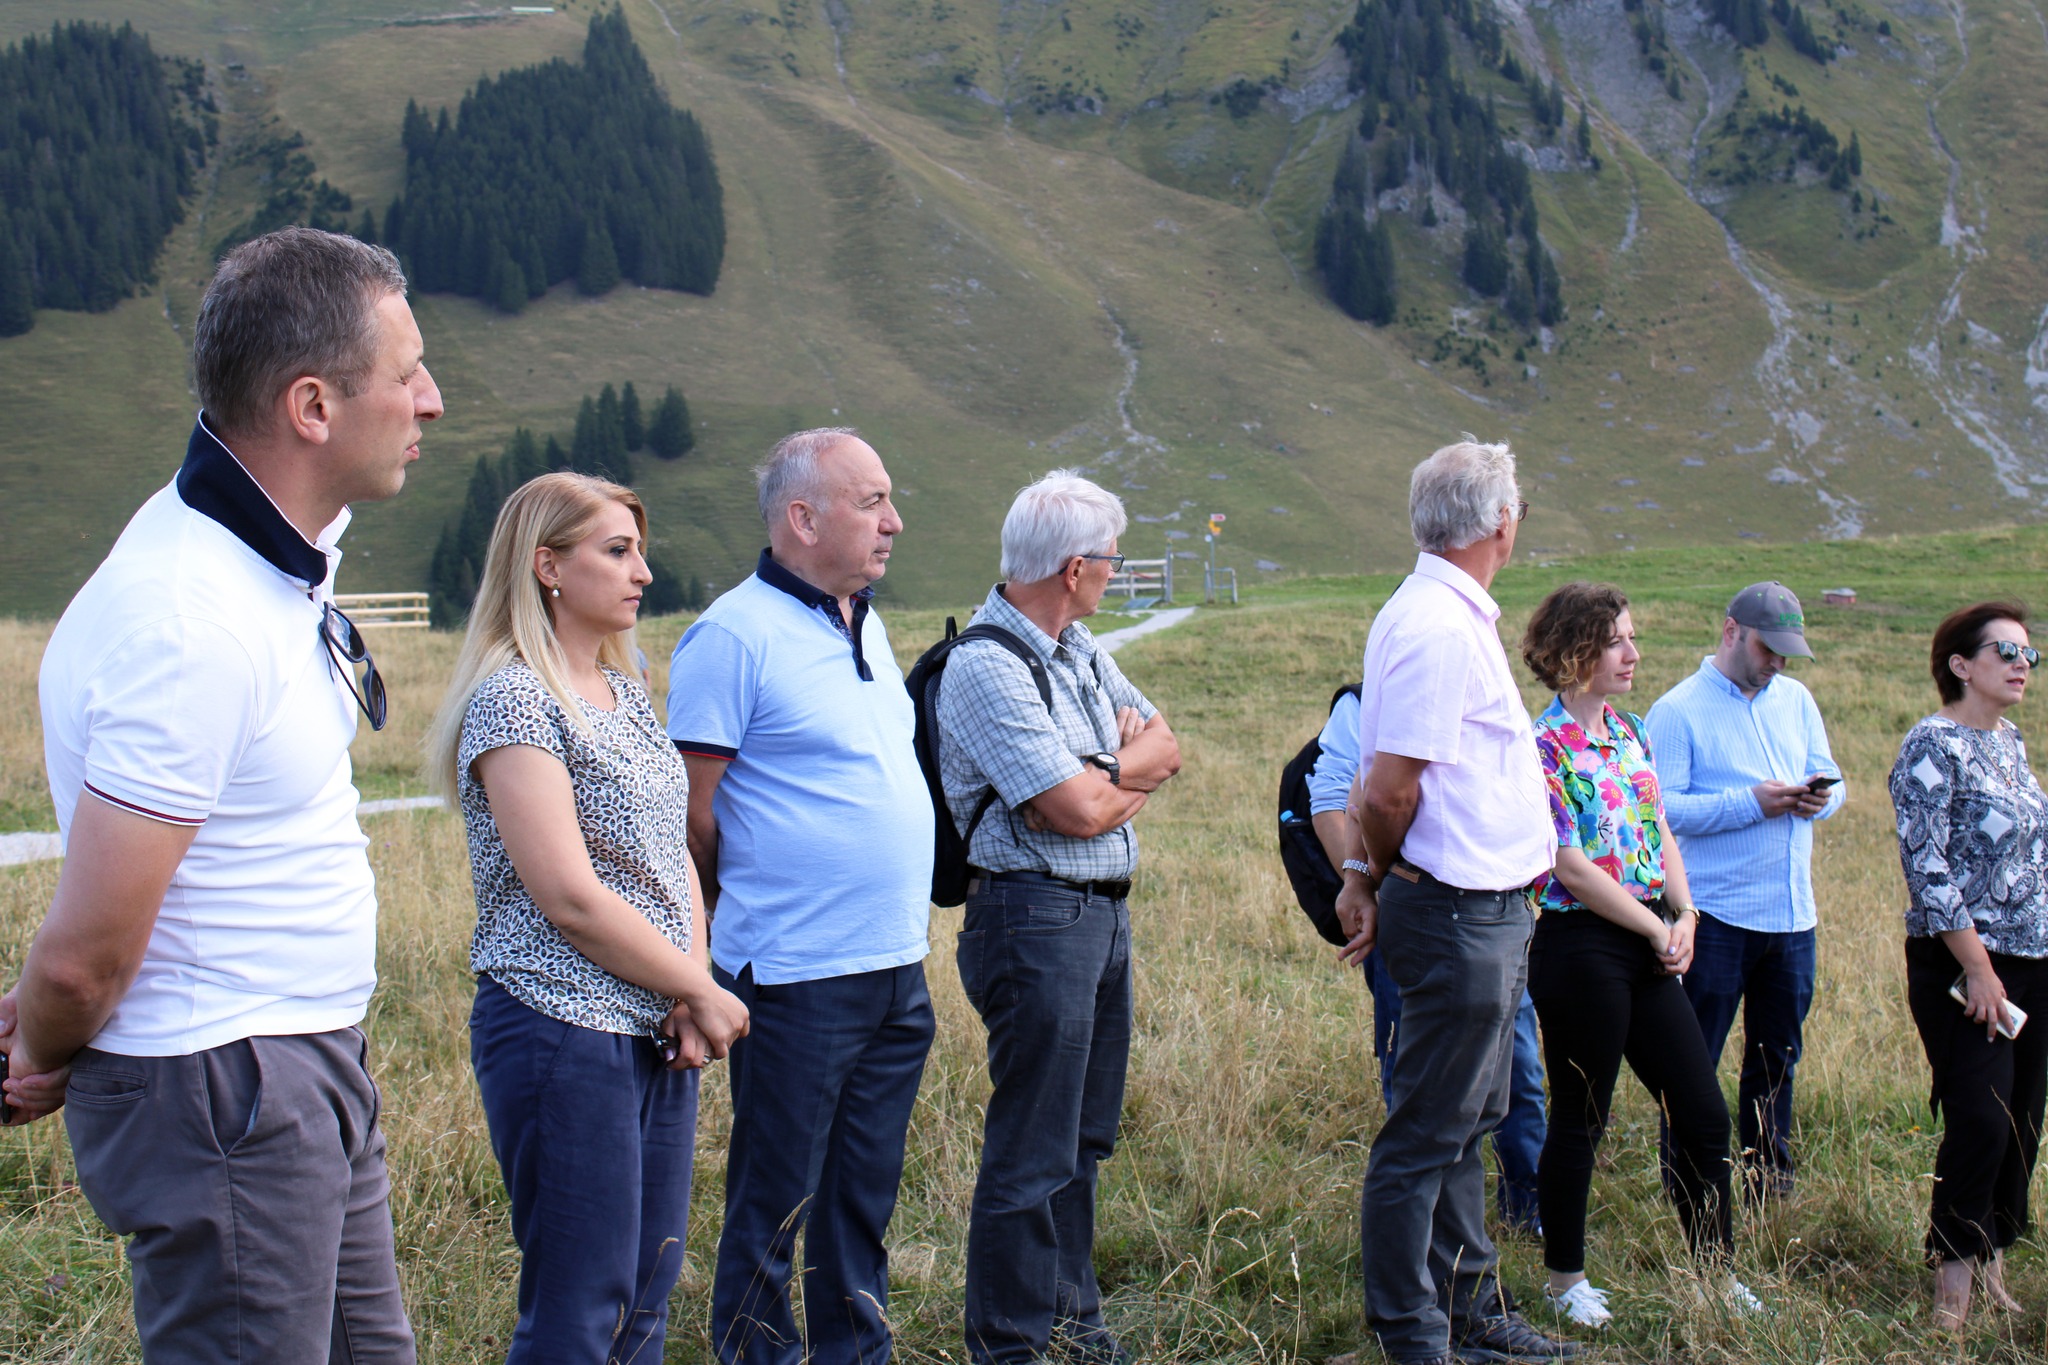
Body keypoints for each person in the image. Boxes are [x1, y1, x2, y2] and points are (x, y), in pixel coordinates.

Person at [0, 227, 439, 1359]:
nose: (431, 400)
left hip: (286, 1060)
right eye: (406, 374)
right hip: (226, 1081)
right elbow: (86, 956)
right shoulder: (190, 620)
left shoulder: (258, 559)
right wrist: (38, 1044)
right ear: (312, 407)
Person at [424, 472, 750, 1362]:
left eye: (640, 550)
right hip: (559, 1023)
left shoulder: (625, 692)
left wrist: (688, 985)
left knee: (647, 1293)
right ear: (548, 566)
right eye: (617, 550)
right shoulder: (515, 699)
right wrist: (698, 988)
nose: (643, 571)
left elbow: (671, 855)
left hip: (654, 1022)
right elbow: (568, 897)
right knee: (579, 1310)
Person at [667, 428, 936, 1365]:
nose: (893, 522)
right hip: (793, 972)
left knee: (863, 1197)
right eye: (872, 501)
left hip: (895, 964)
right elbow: (691, 815)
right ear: (803, 517)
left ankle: (853, 1353)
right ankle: (755, 1353)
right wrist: (712, 933)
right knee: (775, 1201)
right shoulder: (732, 636)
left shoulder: (864, 621)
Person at [1332, 438, 1577, 1365]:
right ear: (1502, 522)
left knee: (1466, 1119)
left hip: (1487, 910)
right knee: (1429, 1129)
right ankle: (1413, 1332)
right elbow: (1390, 788)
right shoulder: (1437, 625)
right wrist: (1378, 874)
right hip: (1457, 908)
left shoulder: (1448, 613)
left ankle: (1468, 1311)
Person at [935, 471, 1183, 1365]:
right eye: (1112, 559)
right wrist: (1110, 775)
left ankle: (1074, 1323)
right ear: (1076, 567)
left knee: (1080, 1137)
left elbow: (1163, 746)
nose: (1116, 571)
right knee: (1034, 1144)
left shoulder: (1076, 646)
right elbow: (1073, 811)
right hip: (1032, 918)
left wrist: (1105, 774)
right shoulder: (986, 664)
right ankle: (1010, 1345)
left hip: (1095, 916)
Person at [1519, 582, 1755, 1328]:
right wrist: (1655, 930)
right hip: (1581, 944)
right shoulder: (1541, 745)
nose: (1633, 653)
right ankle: (1565, 1279)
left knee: (1702, 1112)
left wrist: (1684, 913)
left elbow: (1660, 830)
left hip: (1651, 932)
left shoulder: (1633, 730)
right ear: (1574, 651)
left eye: (1631, 637)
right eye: (1616, 640)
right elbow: (1567, 863)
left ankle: (1716, 1275)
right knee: (1581, 1115)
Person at [1309, 691, 1547, 1235]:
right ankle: (1431, 1234)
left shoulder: (1478, 692)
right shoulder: (1373, 700)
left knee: (1516, 1073)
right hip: (1423, 917)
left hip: (1497, 915)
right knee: (1423, 1090)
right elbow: (1347, 797)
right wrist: (1366, 884)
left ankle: (1525, 1207)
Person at [1645, 582, 1843, 1202]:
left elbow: (1833, 780)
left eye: (1787, 652)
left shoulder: (1797, 700)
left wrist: (1818, 798)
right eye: (1767, 648)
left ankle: (1768, 1182)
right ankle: (1690, 1185)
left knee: (1777, 1058)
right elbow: (1659, 811)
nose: (1777, 662)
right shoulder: (1677, 710)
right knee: (1693, 1059)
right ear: (1731, 631)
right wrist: (1750, 804)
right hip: (1715, 916)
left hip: (1791, 916)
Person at [1891, 601, 2048, 1330]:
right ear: (1960, 664)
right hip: (1962, 963)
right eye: (2005, 652)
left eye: (2029, 654)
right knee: (1980, 1118)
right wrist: (1980, 968)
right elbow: (1928, 868)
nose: (2022, 665)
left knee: (2020, 1122)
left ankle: (1992, 1267)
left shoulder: (2009, 742)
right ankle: (1949, 1293)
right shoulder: (1932, 744)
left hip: (2033, 959)